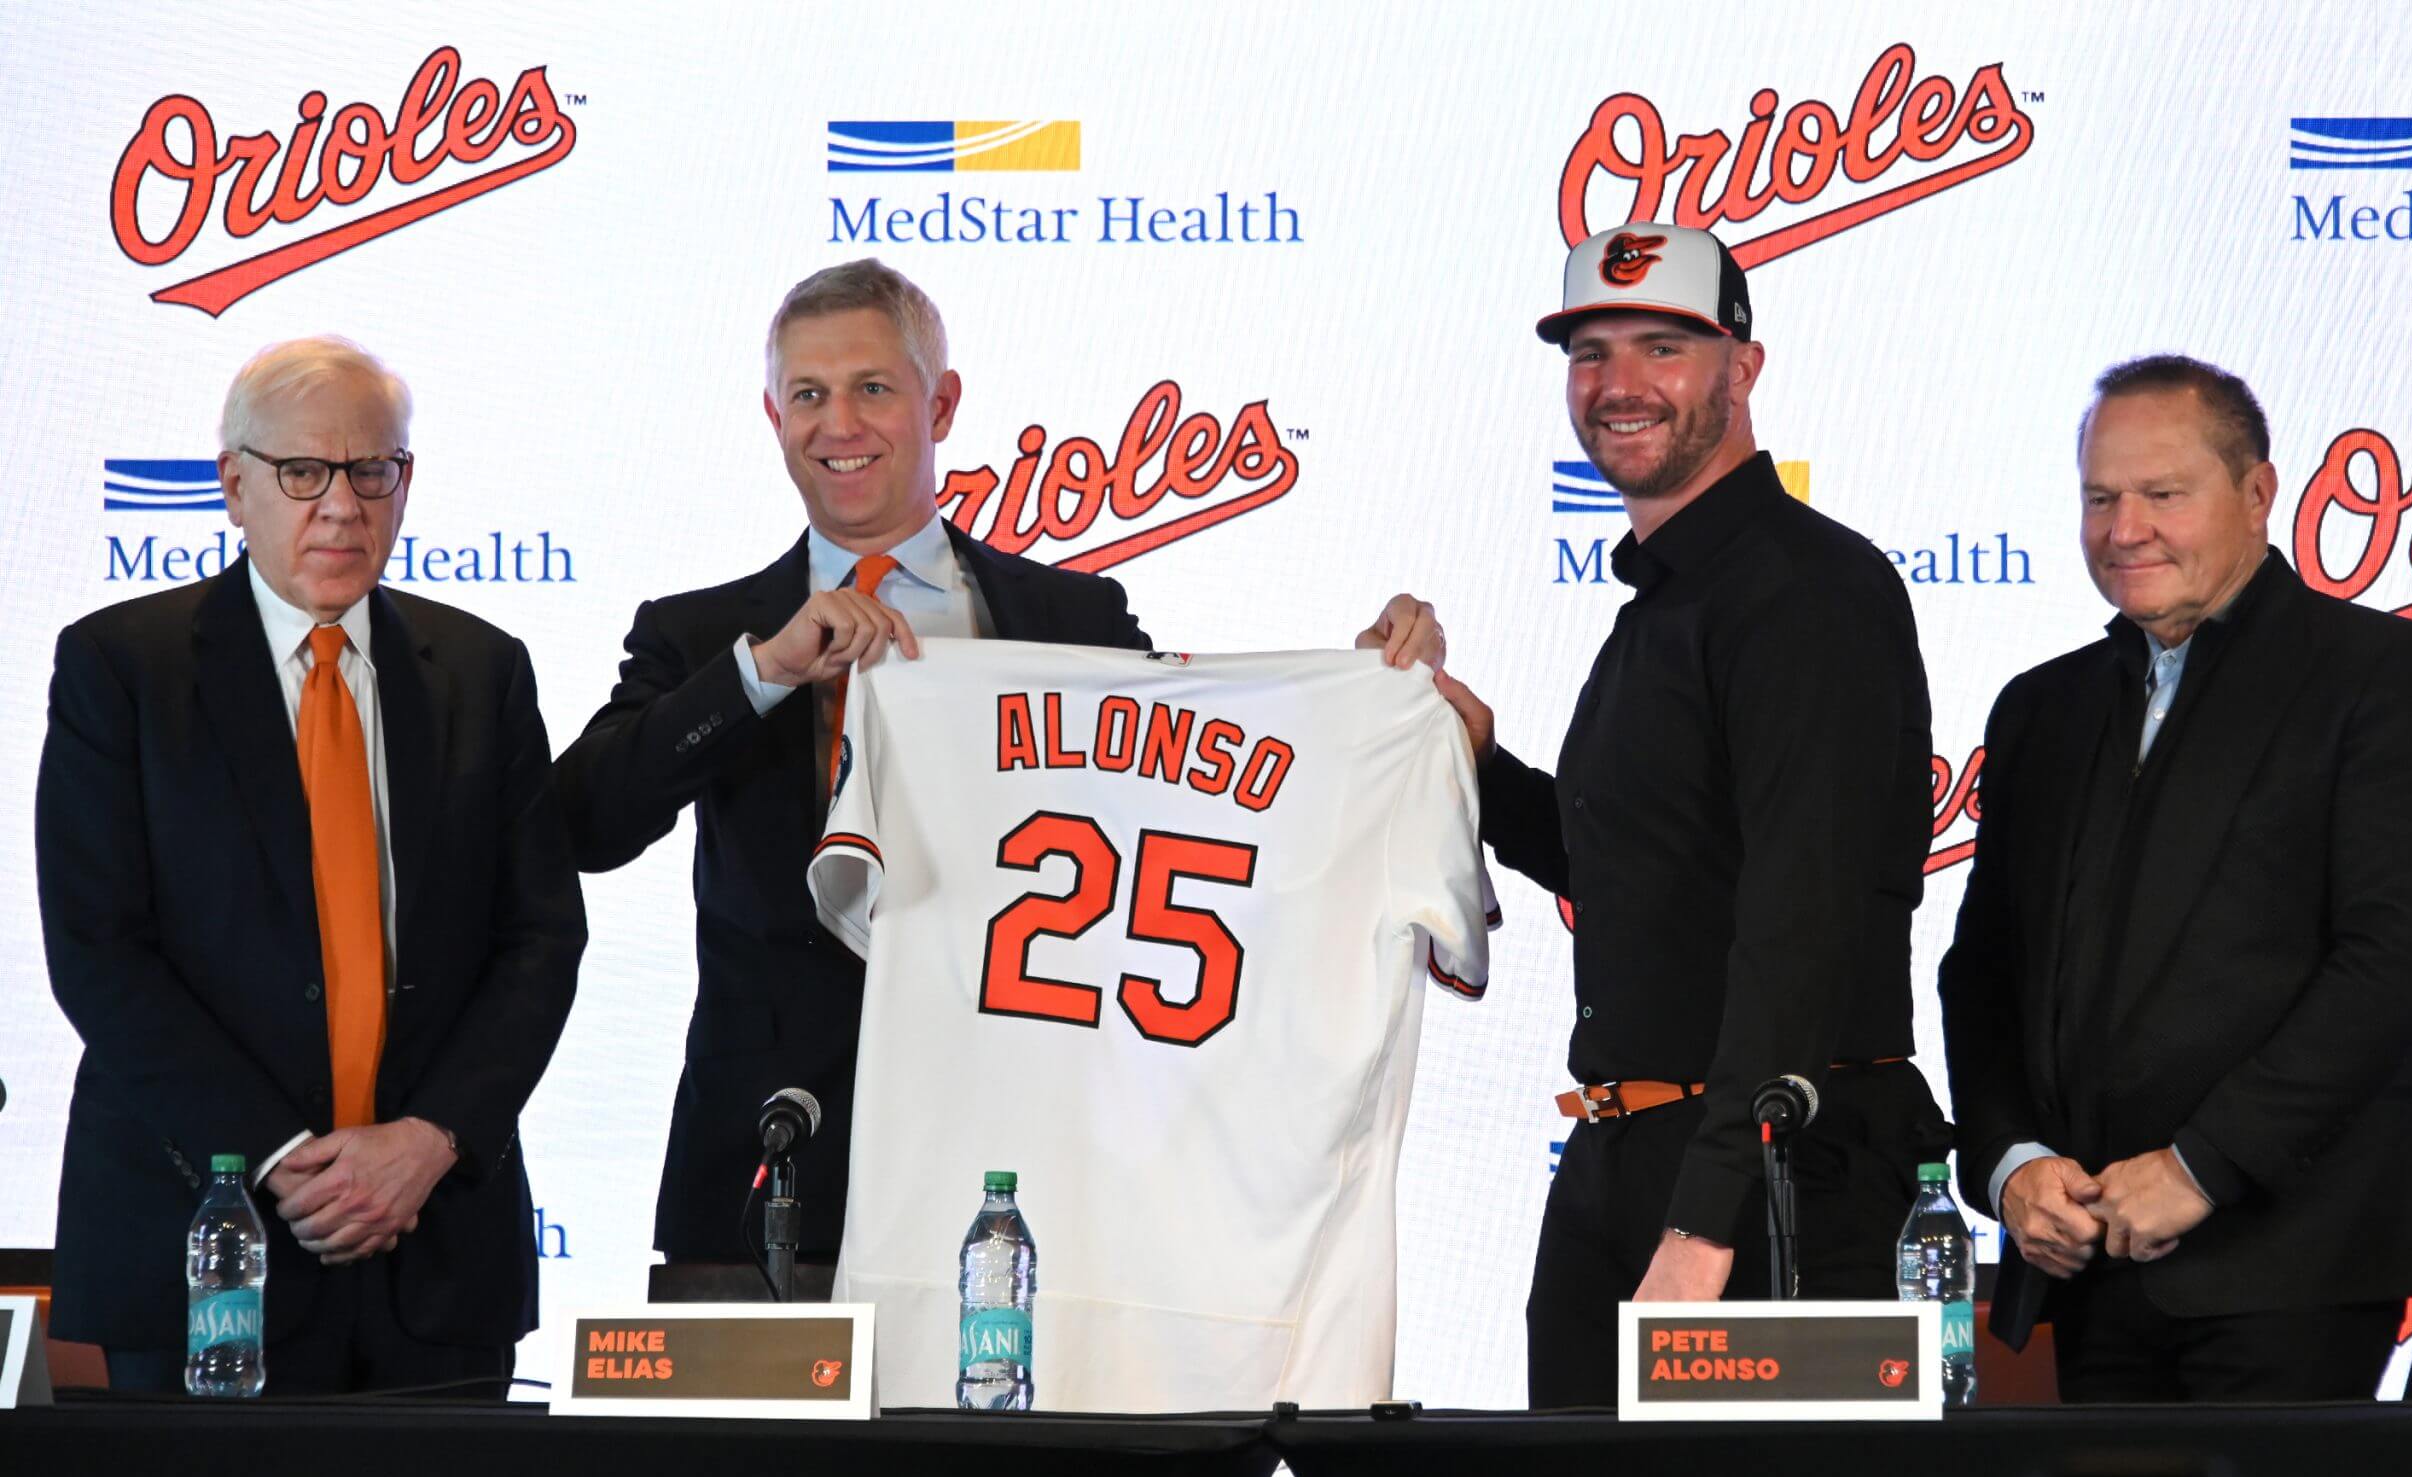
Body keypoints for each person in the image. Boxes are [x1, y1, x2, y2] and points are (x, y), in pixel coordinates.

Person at [553, 258, 1445, 1267]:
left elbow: (1206, 812)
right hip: (777, 1158)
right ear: (772, 413)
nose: (837, 424)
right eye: (808, 394)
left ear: (942, 402)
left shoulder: (1076, 621)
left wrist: (1367, 703)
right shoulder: (704, 635)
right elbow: (584, 820)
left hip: (1027, 1160)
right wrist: (759, 672)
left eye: (873, 389)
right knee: (761, 1433)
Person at [1434, 223, 1949, 1407]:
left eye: (1663, 346)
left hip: (1774, 1173)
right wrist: (1473, 766)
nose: (1619, 385)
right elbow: (1638, 872)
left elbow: (1800, 919)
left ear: (1743, 367)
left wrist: (1709, 1217)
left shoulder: (1805, 589)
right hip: (1631, 1155)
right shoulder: (1665, 602)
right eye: (1591, 352)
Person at [37, 337, 586, 1394]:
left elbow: (541, 940)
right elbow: (100, 954)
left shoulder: (483, 670)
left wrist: (430, 1141)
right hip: (200, 1243)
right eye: (302, 473)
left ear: (405, 482)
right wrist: (284, 1161)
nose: (341, 505)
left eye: (370, 470)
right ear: (233, 485)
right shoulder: (123, 668)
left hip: (436, 1252)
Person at [1940, 354, 2412, 1401]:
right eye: (2100, 498)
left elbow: (2398, 962)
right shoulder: (2038, 709)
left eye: (2161, 494)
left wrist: (2200, 1165)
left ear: (2255, 494)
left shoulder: (2382, 676)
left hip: (2292, 1274)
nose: (2123, 528)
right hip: (2079, 1273)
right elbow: (1983, 975)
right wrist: (2010, 1166)